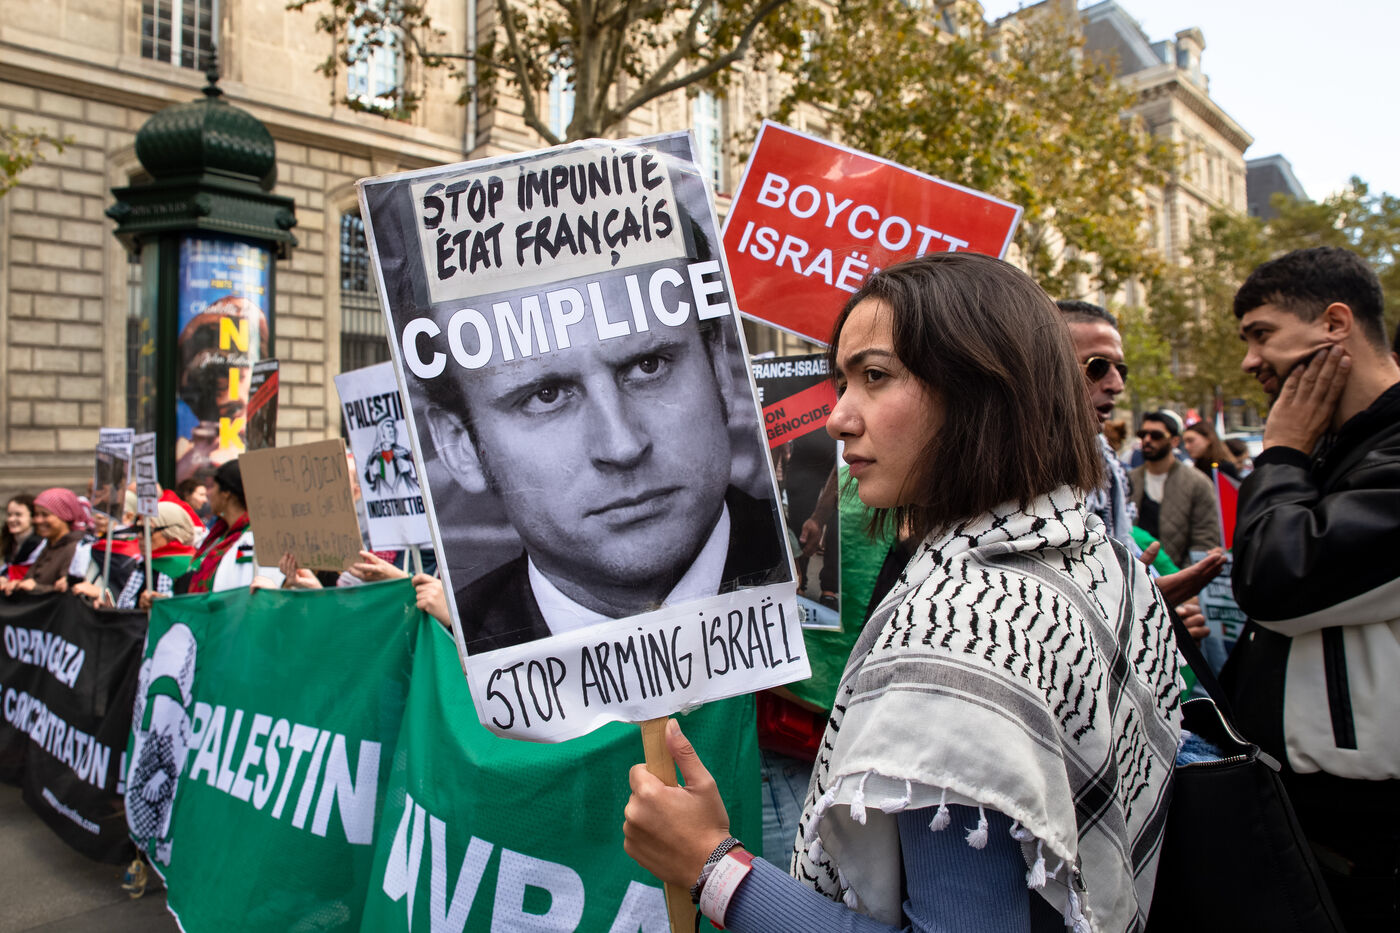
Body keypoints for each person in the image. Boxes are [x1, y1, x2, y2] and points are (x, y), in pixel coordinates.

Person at [624, 253, 1181, 932]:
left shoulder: (962, 633)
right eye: (842, 382)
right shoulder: (1094, 551)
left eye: (875, 376)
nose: (838, 417)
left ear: (982, 389)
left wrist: (711, 867)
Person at [421, 258, 786, 653]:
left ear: (718, 367)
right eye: (546, 396)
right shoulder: (451, 649)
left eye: (648, 366)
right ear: (461, 446)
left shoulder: (819, 587)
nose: (622, 446)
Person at [1223, 246, 1400, 928]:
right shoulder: (1339, 446)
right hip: (1312, 816)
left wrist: (1283, 453)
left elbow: (1277, 578)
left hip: (1368, 836)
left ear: (1334, 323)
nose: (1250, 361)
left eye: (1262, 334)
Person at [1056, 300, 1222, 611]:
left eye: (1121, 370)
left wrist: (1151, 606)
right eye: (1097, 366)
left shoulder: (1106, 465)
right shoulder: (998, 462)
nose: (1116, 385)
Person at [162, 460, 281, 597]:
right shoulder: (219, 535)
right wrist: (165, 601)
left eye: (213, 486)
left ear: (226, 493)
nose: (209, 495)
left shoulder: (255, 538)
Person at [1128, 411, 1221, 569]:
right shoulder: (1128, 481)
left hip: (1181, 576)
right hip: (1133, 576)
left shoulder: (1197, 482)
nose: (1147, 440)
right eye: (1143, 434)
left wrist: (1184, 577)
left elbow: (1205, 538)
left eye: (1156, 435)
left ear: (1175, 441)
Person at [0, 488, 88, 595]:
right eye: (36, 515)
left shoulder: (77, 548)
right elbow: (31, 579)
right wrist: (16, 584)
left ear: (64, 516)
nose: (38, 520)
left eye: (45, 515)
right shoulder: (49, 545)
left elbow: (71, 591)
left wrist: (36, 588)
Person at [2, 494, 42, 583]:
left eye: (18, 514)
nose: (11, 519)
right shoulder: (11, 544)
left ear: (33, 517)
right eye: (9, 515)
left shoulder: (41, 546)